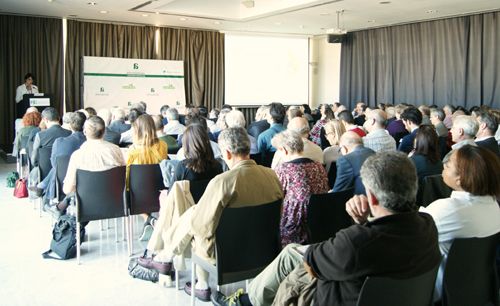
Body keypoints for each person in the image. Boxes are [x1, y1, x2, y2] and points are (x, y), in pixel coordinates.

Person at [213, 151, 441, 306]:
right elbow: (381, 247)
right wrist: (363, 223)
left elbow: (312, 263)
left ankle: (248, 301)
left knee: (293, 257)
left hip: (332, 299)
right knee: (293, 251)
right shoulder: (428, 226)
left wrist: (359, 227)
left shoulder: (354, 243)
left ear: (371, 197)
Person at [142, 127, 283, 301]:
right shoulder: (272, 176)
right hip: (266, 250)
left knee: (195, 220)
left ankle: (179, 267)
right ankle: (164, 256)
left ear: (227, 153)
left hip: (227, 254)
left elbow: (201, 227)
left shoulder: (223, 182)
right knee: (195, 214)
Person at [420, 145, 500, 301]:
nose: (443, 165)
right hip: (476, 291)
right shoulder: (494, 207)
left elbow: (408, 230)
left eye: (448, 165)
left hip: (437, 294)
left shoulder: (447, 210)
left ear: (460, 178)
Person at [272, 130, 328, 246]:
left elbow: (275, 197)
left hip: (294, 226)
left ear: (285, 150)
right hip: (320, 221)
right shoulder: (318, 166)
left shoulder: (283, 170)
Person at [126, 114, 168, 241]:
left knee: (129, 193)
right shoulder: (162, 145)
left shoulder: (132, 151)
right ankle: (153, 221)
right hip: (160, 192)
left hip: (138, 195)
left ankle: (148, 219)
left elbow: (128, 176)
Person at [63, 116, 125, 195]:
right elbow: (123, 178)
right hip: (115, 201)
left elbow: (67, 190)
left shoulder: (77, 156)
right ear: (104, 132)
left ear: (84, 131)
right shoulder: (116, 150)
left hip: (86, 204)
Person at [169, 124, 223, 189]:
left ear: (186, 144)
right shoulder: (218, 166)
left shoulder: (182, 167)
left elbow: (171, 193)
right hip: (212, 199)